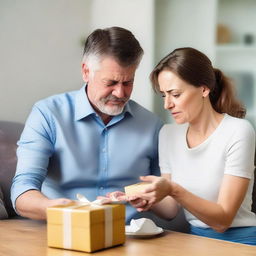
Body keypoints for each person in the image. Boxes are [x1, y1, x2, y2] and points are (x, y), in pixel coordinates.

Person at [11, 27, 163, 221]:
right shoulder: (47, 114)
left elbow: (166, 200)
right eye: (111, 82)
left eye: (128, 83)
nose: (120, 93)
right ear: (86, 71)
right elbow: (23, 189)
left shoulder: (151, 125)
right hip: (62, 230)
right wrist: (56, 209)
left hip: (130, 237)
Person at [127, 47, 256, 245]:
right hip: (195, 241)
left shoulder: (238, 131)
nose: (167, 105)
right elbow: (170, 210)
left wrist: (173, 189)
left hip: (240, 243)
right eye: (164, 95)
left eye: (175, 94)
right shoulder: (168, 134)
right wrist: (148, 199)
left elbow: (222, 220)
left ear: (204, 89)